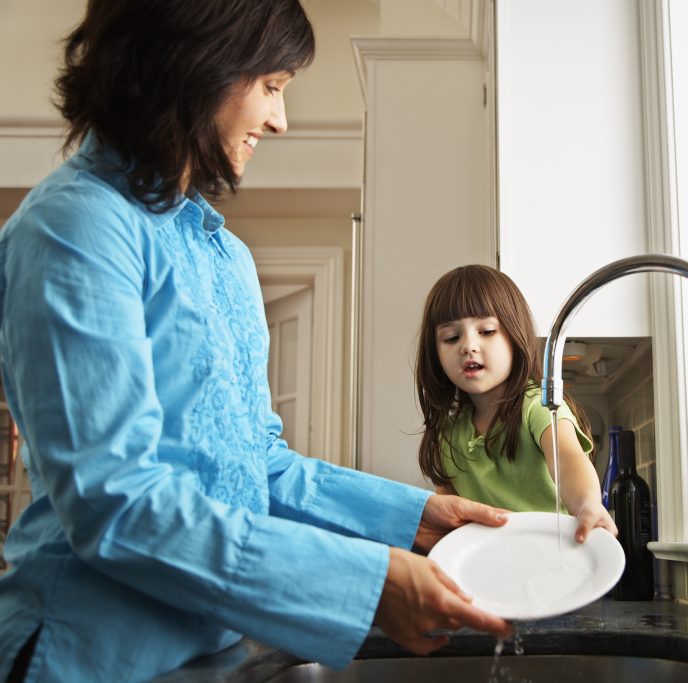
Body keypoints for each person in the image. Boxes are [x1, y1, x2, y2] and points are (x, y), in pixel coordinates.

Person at [0, 2, 510, 681]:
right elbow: (112, 500)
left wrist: (413, 518)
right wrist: (361, 580)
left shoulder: (225, 257)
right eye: (271, 85)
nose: (280, 120)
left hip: (212, 653)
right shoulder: (75, 227)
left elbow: (257, 466)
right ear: (195, 65)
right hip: (90, 657)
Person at [414, 265, 617, 543]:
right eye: (451, 337)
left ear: (515, 337)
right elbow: (451, 519)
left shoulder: (537, 407)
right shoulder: (447, 435)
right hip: (490, 572)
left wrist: (586, 504)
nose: (468, 346)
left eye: (486, 331)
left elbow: (568, 459)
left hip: (553, 562)